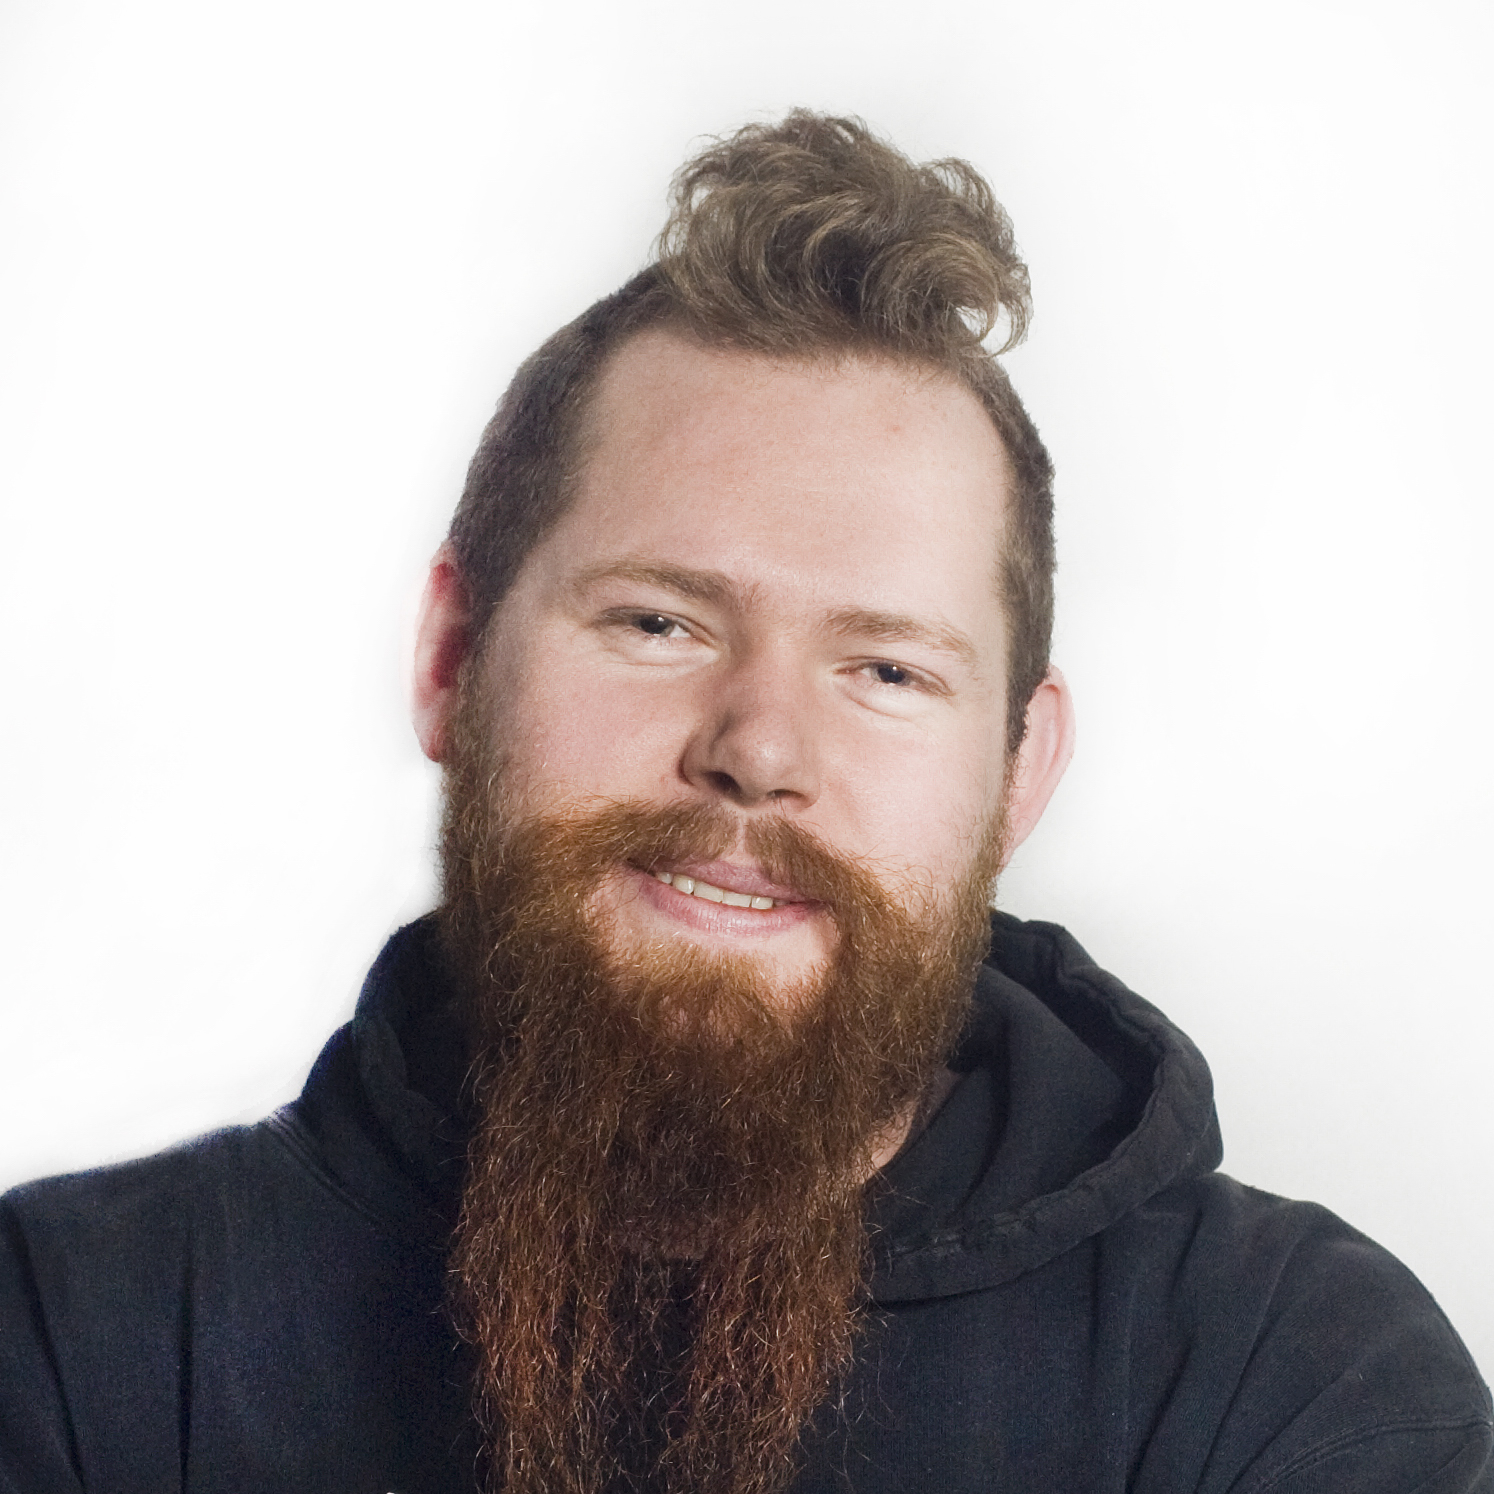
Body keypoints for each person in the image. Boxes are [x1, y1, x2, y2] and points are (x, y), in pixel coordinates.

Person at [0, 110, 1487, 1494]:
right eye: (659, 622)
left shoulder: (1298, 1387)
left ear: (1018, 771)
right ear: (452, 659)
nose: (758, 750)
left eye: (887, 670)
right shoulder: (69, 1338)